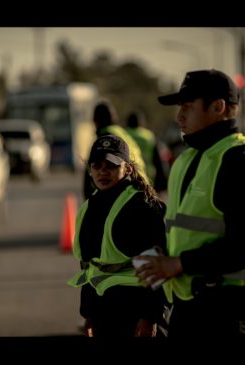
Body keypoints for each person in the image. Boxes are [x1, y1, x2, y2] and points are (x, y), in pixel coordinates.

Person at [134, 69, 245, 338]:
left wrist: (179, 263)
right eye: (179, 107)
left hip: (228, 318)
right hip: (187, 313)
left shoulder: (242, 162)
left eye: (187, 107)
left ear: (218, 107)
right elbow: (183, 233)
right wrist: (163, 259)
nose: (179, 116)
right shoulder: (187, 160)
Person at [68, 134, 167, 337]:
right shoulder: (89, 207)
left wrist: (150, 317)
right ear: (89, 170)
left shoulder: (143, 206)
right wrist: (88, 313)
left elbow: (156, 265)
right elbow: (89, 266)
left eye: (111, 166)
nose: (103, 172)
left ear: (127, 169)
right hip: (103, 308)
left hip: (134, 308)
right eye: (97, 166)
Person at [83, 100, 148, 200]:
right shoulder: (122, 133)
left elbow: (92, 173)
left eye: (110, 165)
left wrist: (89, 199)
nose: (102, 170)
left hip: (125, 188)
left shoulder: (105, 138)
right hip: (141, 184)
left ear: (95, 121)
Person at [126, 111, 168, 193]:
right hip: (149, 176)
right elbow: (157, 159)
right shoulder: (148, 136)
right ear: (141, 122)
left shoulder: (125, 134)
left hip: (131, 174)